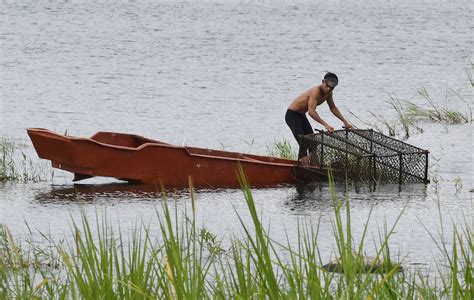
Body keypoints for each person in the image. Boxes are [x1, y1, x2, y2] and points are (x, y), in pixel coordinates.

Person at [285, 72, 352, 160]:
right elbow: (311, 112)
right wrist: (326, 125)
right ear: (323, 82)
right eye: (327, 86)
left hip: (301, 115)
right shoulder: (315, 92)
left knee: (313, 143)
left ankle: (313, 165)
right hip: (292, 115)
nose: (328, 89)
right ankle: (301, 166)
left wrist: (345, 121)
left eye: (331, 88)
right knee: (303, 142)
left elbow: (333, 107)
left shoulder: (328, 93)